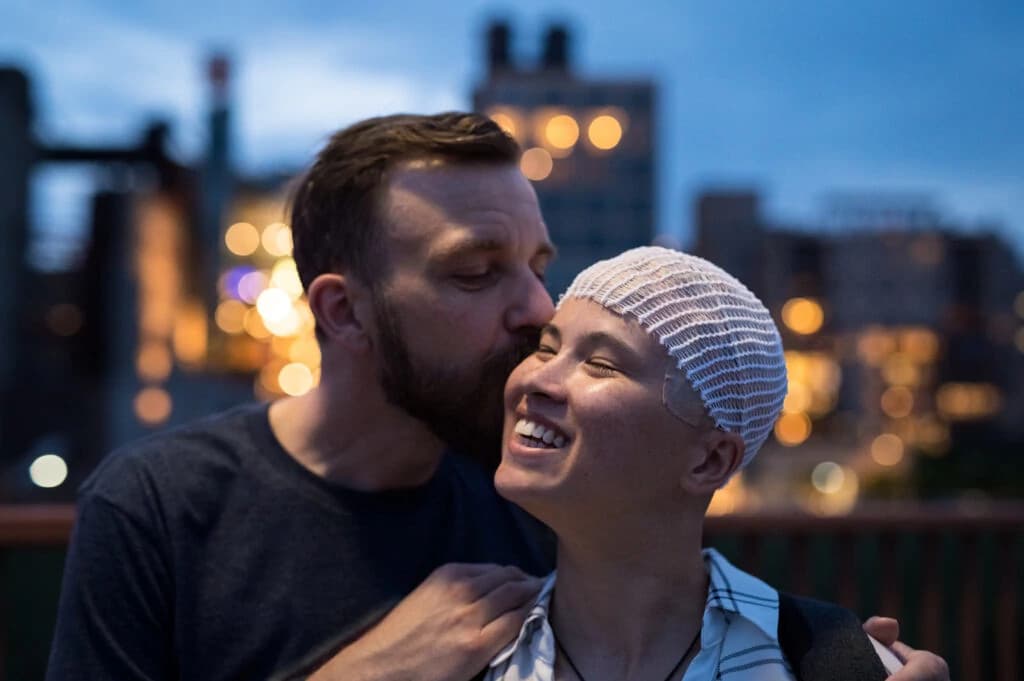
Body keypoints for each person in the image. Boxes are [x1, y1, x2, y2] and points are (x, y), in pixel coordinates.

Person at [47, 113, 947, 681]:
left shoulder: (540, 491)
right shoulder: (159, 508)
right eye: (478, 273)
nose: (534, 310)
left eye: (538, 267)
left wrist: (829, 653)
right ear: (343, 312)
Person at [486, 246, 924, 681]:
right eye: (546, 349)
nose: (536, 378)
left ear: (711, 460)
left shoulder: (830, 662)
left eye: (600, 364)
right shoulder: (459, 652)